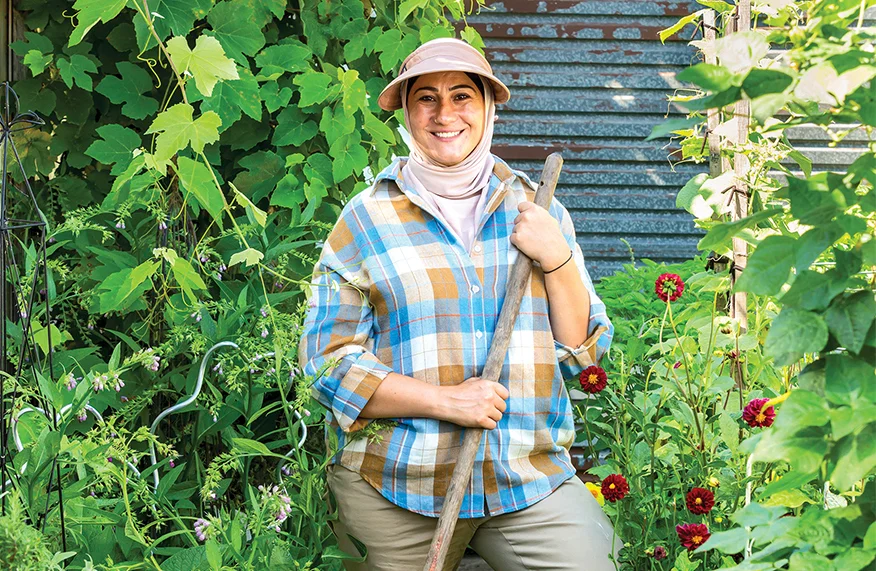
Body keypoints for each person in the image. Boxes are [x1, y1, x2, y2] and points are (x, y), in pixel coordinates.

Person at [299, 37, 617, 571]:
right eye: (426, 97)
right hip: (398, 482)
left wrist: (557, 259)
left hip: (524, 479)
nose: (445, 114)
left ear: (488, 106)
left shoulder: (538, 209)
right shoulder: (366, 219)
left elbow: (584, 356)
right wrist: (447, 402)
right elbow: (327, 364)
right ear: (406, 111)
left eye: (462, 96)